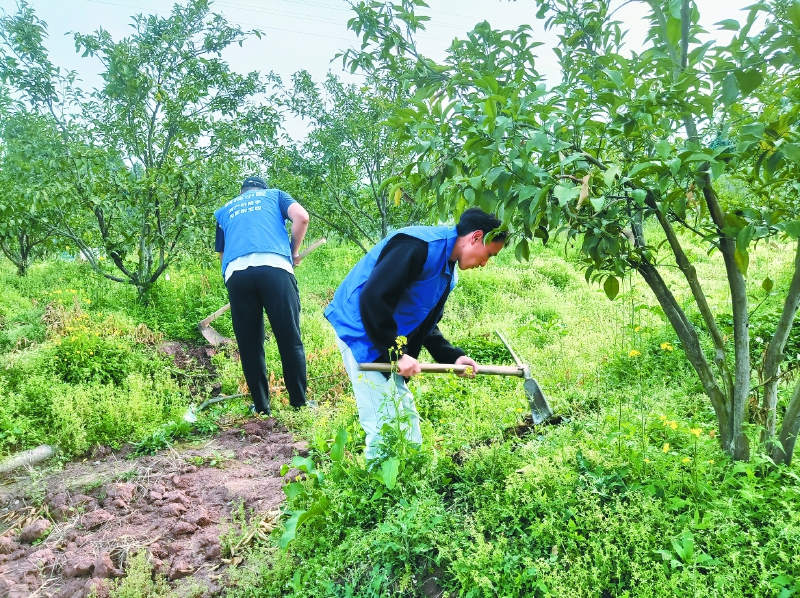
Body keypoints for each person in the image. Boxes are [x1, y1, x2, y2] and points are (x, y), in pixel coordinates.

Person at [324, 207, 507, 460]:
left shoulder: (447, 271)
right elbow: (373, 298)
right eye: (488, 254)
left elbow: (425, 322)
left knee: (404, 414)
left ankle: (411, 477)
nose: (485, 263)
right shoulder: (416, 245)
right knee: (382, 421)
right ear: (475, 237)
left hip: (384, 337)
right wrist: (395, 353)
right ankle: (379, 490)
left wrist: (452, 357)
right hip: (361, 331)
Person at [214, 176, 311, 415]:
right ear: (261, 190)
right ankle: (299, 404)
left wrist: (235, 279)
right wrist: (294, 251)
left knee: (249, 344)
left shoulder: (225, 210)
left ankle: (261, 406)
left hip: (236, 274)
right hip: (275, 267)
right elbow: (302, 217)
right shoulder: (275, 195)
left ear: (242, 192)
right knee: (289, 337)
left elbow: (222, 254)